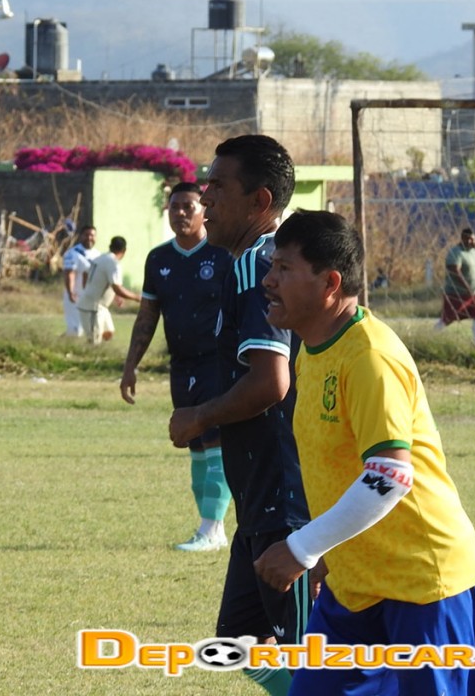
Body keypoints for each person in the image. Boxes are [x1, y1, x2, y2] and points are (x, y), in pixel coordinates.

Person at [254, 210, 475, 696]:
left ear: (330, 283)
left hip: (421, 584)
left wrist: (303, 548)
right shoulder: (313, 349)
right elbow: (336, 465)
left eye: (284, 268)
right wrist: (328, 554)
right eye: (272, 266)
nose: (269, 280)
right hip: (355, 586)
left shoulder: (370, 356)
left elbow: (389, 477)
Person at [168, 135, 310, 696]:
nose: (204, 197)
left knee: (309, 661)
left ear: (260, 200)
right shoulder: (253, 262)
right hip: (260, 496)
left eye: (218, 186)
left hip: (287, 498)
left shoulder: (260, 264)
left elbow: (272, 381)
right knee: (239, 643)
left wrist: (200, 416)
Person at [120, 183, 233, 552]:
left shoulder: (223, 255)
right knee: (195, 444)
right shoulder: (158, 259)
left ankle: (212, 528)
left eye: (188, 206)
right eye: (174, 207)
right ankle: (211, 528)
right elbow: (147, 315)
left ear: (204, 211)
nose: (180, 213)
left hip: (217, 363)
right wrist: (130, 365)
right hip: (181, 366)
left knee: (215, 441)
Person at [76, 236, 140, 344]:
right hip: (93, 308)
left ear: (110, 247)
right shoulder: (113, 263)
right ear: (124, 250)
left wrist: (89, 289)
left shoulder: (101, 258)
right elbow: (117, 288)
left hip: (100, 307)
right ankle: (85, 353)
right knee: (94, 341)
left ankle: (103, 351)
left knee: (108, 333)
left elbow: (86, 273)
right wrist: (136, 297)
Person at [433, 227, 475, 346]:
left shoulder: (474, 253)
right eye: (469, 239)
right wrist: (466, 286)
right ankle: (430, 336)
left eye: (473, 239)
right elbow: (453, 269)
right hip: (457, 293)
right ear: (463, 238)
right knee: (448, 319)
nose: (472, 242)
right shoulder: (456, 252)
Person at [62, 225, 99, 337]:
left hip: (91, 297)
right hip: (76, 295)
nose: (89, 238)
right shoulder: (73, 253)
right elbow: (70, 273)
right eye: (86, 235)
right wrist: (71, 292)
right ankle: (60, 344)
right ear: (81, 236)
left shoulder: (98, 254)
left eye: (92, 235)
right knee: (76, 331)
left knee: (92, 330)